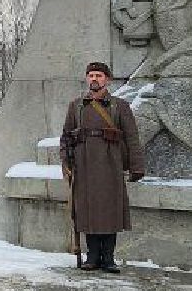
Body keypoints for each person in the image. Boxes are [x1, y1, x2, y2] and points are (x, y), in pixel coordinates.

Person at [59, 62, 147, 274]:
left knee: (109, 212)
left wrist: (136, 166)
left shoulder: (120, 106)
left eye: (99, 75)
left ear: (107, 79)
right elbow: (66, 137)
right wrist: (66, 163)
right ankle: (92, 257)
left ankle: (108, 257)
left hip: (111, 165)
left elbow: (132, 138)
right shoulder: (76, 106)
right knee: (88, 211)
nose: (94, 79)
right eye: (90, 75)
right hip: (84, 165)